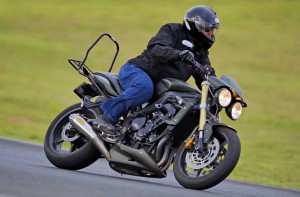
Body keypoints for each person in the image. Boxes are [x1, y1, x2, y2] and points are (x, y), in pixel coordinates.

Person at [92, 5, 220, 135]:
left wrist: (220, 91)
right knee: (144, 88)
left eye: (212, 30)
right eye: (207, 29)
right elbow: (157, 49)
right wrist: (179, 54)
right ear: (195, 24)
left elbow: (205, 75)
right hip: (136, 70)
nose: (211, 34)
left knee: (185, 105)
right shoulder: (173, 30)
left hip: (161, 88)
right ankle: (105, 118)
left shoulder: (201, 52)